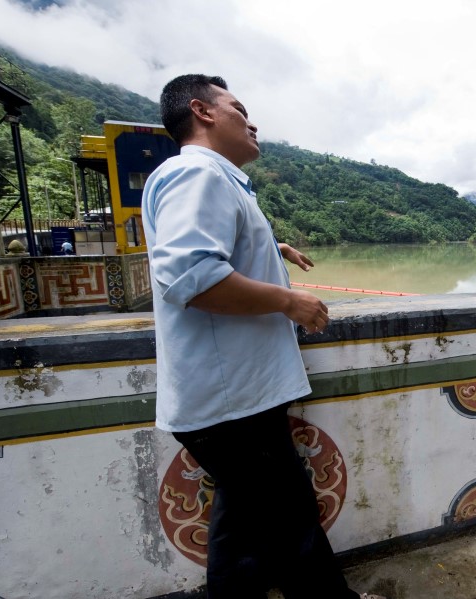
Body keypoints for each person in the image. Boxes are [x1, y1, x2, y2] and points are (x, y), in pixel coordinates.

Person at [143, 74, 382, 599]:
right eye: (238, 108)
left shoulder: (212, 180)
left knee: (247, 532)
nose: (251, 122)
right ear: (203, 112)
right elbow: (192, 276)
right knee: (287, 523)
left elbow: (219, 243)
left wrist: (275, 246)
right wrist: (289, 300)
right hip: (233, 402)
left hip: (230, 399)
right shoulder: (196, 174)